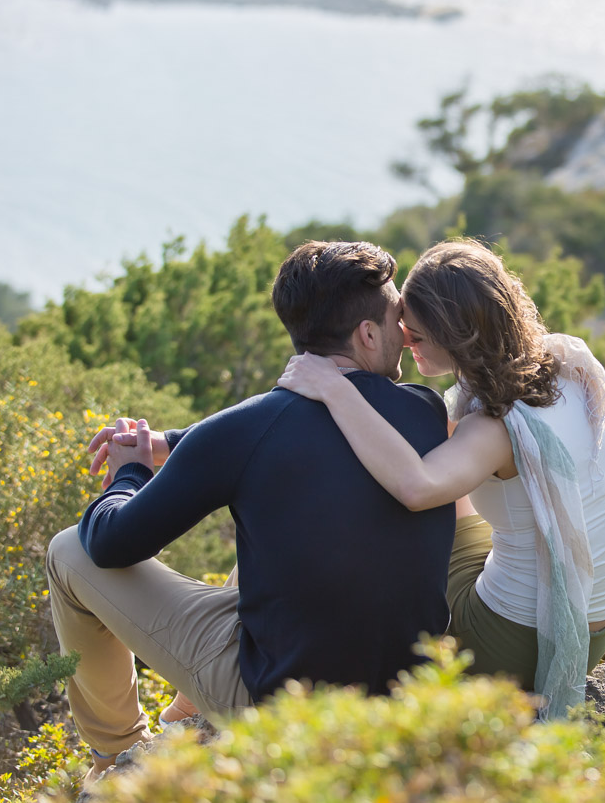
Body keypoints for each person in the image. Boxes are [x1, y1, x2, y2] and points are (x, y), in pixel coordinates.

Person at [48, 240, 454, 786]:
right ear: (367, 334)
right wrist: (168, 441)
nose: (405, 333)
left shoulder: (246, 432)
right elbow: (282, 431)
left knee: (68, 549)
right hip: (407, 702)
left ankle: (118, 755)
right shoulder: (426, 413)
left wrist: (130, 472)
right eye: (396, 318)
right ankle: (176, 718)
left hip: (282, 710)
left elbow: (111, 545)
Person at [278, 239, 605, 717]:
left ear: (456, 335)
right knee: (429, 460)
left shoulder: (497, 424)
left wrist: (333, 387)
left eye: (417, 333)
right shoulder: (564, 368)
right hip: (596, 625)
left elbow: (418, 488)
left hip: (517, 641)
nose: (403, 338)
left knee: (387, 509)